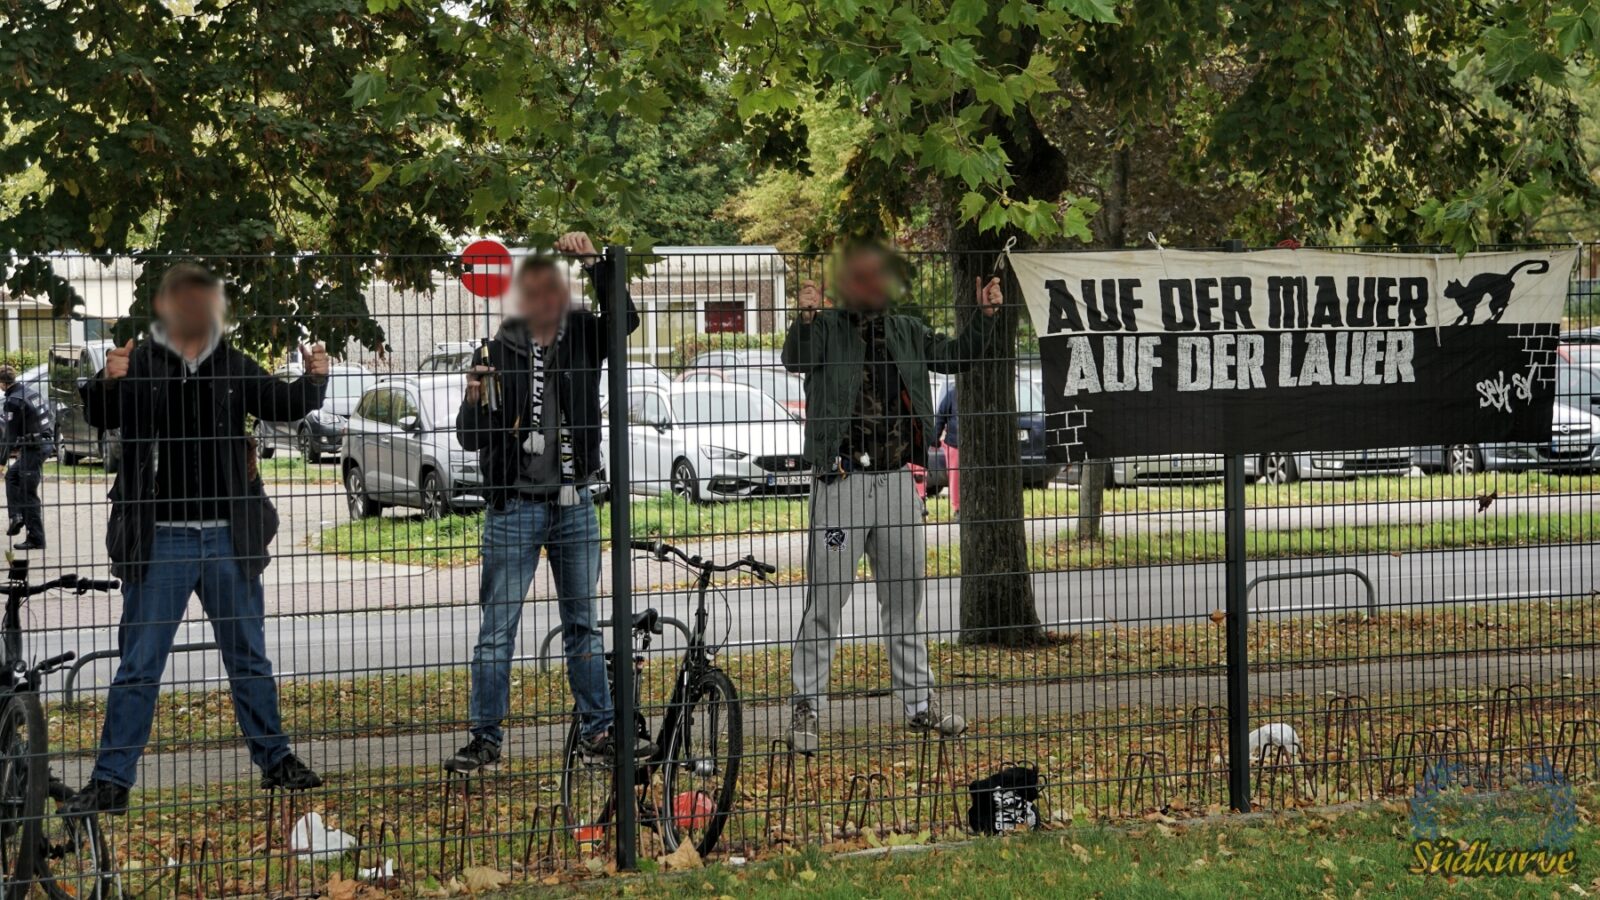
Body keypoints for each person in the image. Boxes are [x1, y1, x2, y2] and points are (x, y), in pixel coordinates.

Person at [66, 263, 329, 815]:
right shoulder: (140, 362)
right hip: (161, 541)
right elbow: (99, 412)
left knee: (249, 658)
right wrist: (106, 380)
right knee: (139, 664)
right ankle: (112, 781)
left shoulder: (232, 364)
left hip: (227, 541)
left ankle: (276, 761)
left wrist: (315, 378)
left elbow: (282, 403)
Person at [782, 242, 1003, 754]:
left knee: (905, 601)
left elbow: (955, 356)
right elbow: (795, 358)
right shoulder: (829, 328)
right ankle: (807, 708)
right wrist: (808, 317)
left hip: (899, 484)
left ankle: (919, 704)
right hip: (839, 484)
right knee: (825, 603)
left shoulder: (905, 329)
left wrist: (985, 316)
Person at [444, 232, 642, 773]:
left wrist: (596, 264)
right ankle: (485, 740)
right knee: (496, 630)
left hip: (574, 502)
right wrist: (475, 398)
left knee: (584, 624)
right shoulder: (497, 347)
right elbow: (470, 437)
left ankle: (599, 733)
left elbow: (624, 322)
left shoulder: (583, 336)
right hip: (513, 507)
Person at [0, 366, 53, 550]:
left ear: (2, 383)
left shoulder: (13, 401)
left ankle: (37, 539)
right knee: (12, 477)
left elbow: (9, 437)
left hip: (34, 448)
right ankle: (16, 516)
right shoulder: (30, 392)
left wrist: (1, 462)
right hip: (42, 443)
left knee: (28, 493)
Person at [932, 385, 961, 515]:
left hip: (963, 442)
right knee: (955, 477)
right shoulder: (951, 394)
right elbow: (940, 417)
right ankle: (957, 509)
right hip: (954, 443)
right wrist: (935, 437)